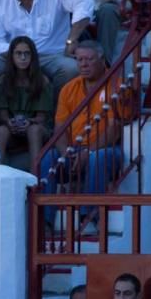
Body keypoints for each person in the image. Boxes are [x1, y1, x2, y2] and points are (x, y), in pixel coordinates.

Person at [38, 41, 128, 200]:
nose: (84, 64)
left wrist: (89, 151)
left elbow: (115, 129)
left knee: (97, 158)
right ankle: (45, 221)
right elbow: (60, 127)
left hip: (107, 149)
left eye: (89, 59)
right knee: (48, 158)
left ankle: (90, 217)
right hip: (73, 150)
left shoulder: (117, 86)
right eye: (79, 60)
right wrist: (66, 152)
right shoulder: (68, 89)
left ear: (102, 60)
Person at [0, 0, 94, 100]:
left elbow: (85, 2)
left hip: (51, 56)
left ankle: (56, 113)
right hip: (12, 54)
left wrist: (72, 39)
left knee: (71, 69)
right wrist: (17, 52)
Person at [0, 35, 53, 167]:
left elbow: (41, 118)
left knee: (34, 130)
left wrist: (28, 122)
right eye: (18, 53)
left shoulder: (42, 81)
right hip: (12, 128)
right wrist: (9, 122)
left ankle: (35, 176)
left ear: (33, 56)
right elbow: (3, 115)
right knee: (1, 130)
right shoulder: (3, 81)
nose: (23, 58)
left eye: (27, 54)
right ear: (12, 56)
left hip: (36, 127)